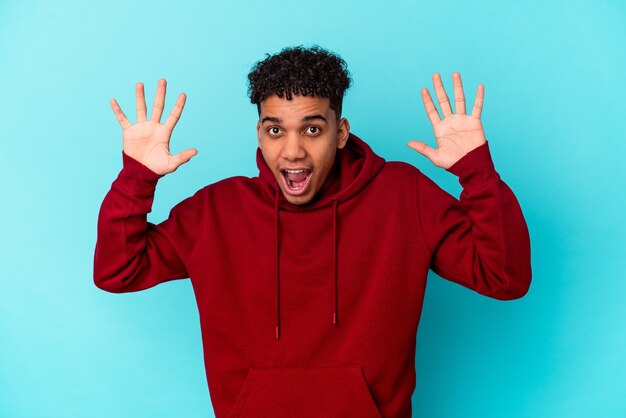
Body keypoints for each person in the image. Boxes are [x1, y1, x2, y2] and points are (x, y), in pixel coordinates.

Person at [94, 45, 531, 418]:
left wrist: (476, 171)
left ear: (340, 133)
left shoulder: (403, 195)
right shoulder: (215, 211)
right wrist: (137, 178)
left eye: (312, 129)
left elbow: (503, 277)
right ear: (260, 135)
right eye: (275, 130)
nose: (293, 150)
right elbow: (118, 271)